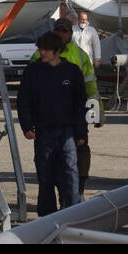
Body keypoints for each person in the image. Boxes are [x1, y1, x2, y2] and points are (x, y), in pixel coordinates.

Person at [17, 30, 87, 215]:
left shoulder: (72, 72)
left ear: (57, 51)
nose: (42, 53)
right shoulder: (33, 72)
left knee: (70, 172)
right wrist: (26, 126)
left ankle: (73, 211)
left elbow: (80, 104)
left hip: (68, 131)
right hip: (43, 131)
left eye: (46, 50)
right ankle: (47, 213)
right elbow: (23, 100)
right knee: (45, 173)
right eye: (41, 49)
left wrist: (81, 133)